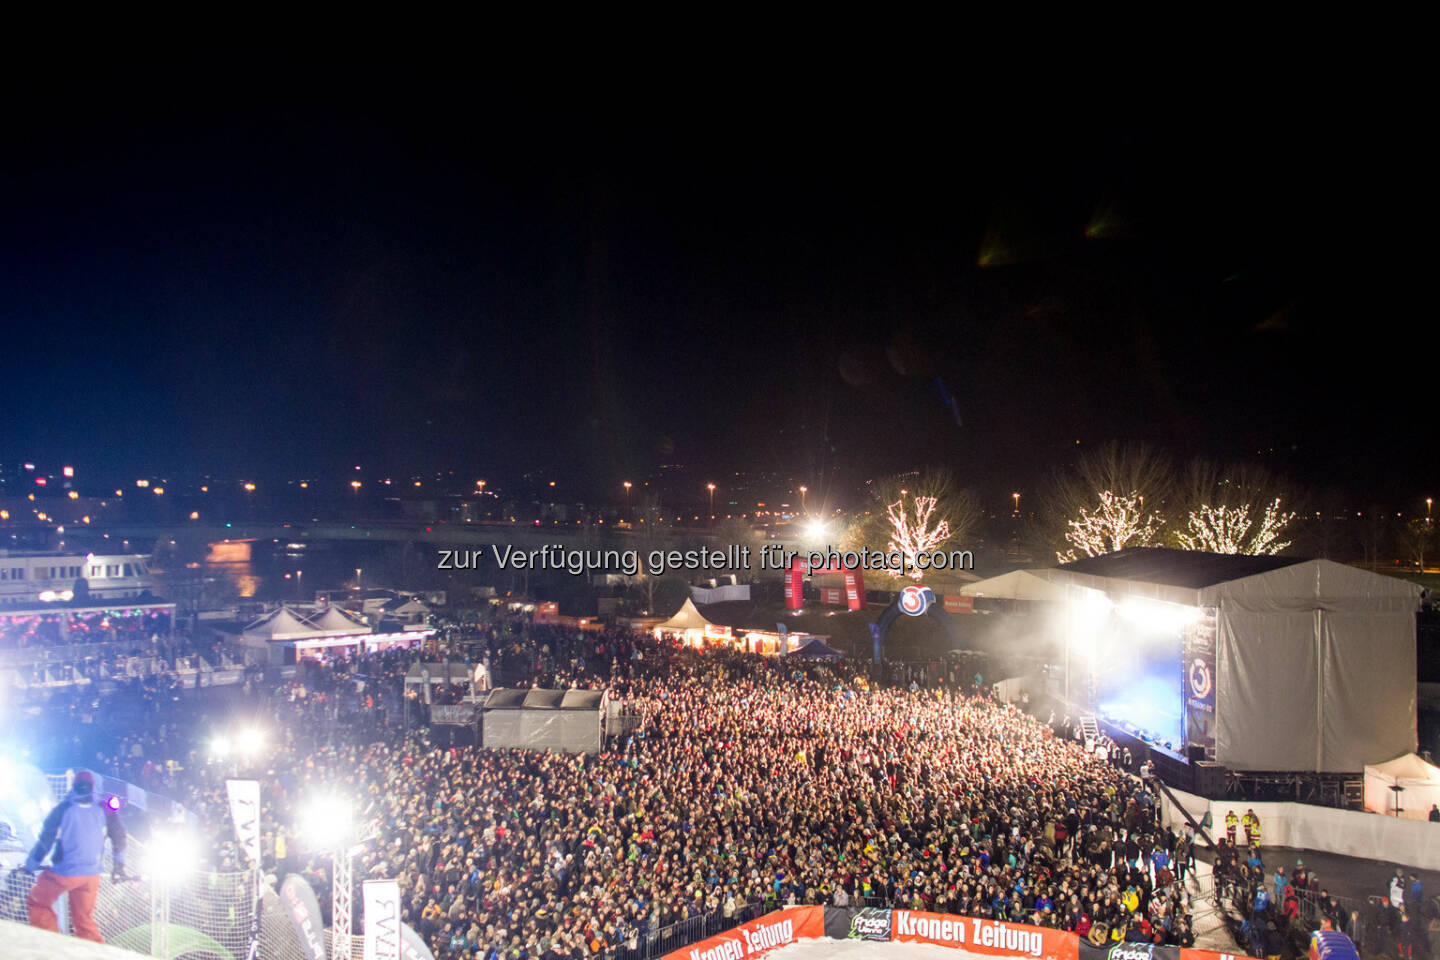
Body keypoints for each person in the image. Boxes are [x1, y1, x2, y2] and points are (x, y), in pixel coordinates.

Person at [24, 770, 127, 943]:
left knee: (38, 902)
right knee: (84, 919)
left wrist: (31, 864)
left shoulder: (64, 808)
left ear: (74, 785)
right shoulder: (104, 808)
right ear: (94, 786)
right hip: (92, 874)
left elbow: (45, 840)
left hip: (65, 871)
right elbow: (119, 836)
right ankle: (95, 952)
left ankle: (50, 944)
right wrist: (119, 864)